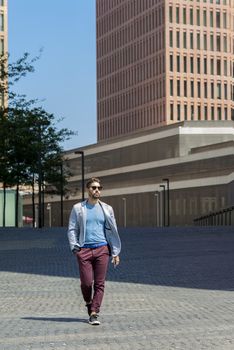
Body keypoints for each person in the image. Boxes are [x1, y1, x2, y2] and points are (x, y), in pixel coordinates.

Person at [67, 177, 121, 325]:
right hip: (84, 250)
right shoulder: (78, 208)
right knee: (86, 283)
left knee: (99, 283)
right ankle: (89, 302)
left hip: (102, 249)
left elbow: (113, 232)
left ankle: (94, 312)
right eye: (94, 187)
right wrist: (75, 247)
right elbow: (72, 229)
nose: (97, 190)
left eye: (99, 188)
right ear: (88, 190)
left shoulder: (107, 209)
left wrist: (115, 252)